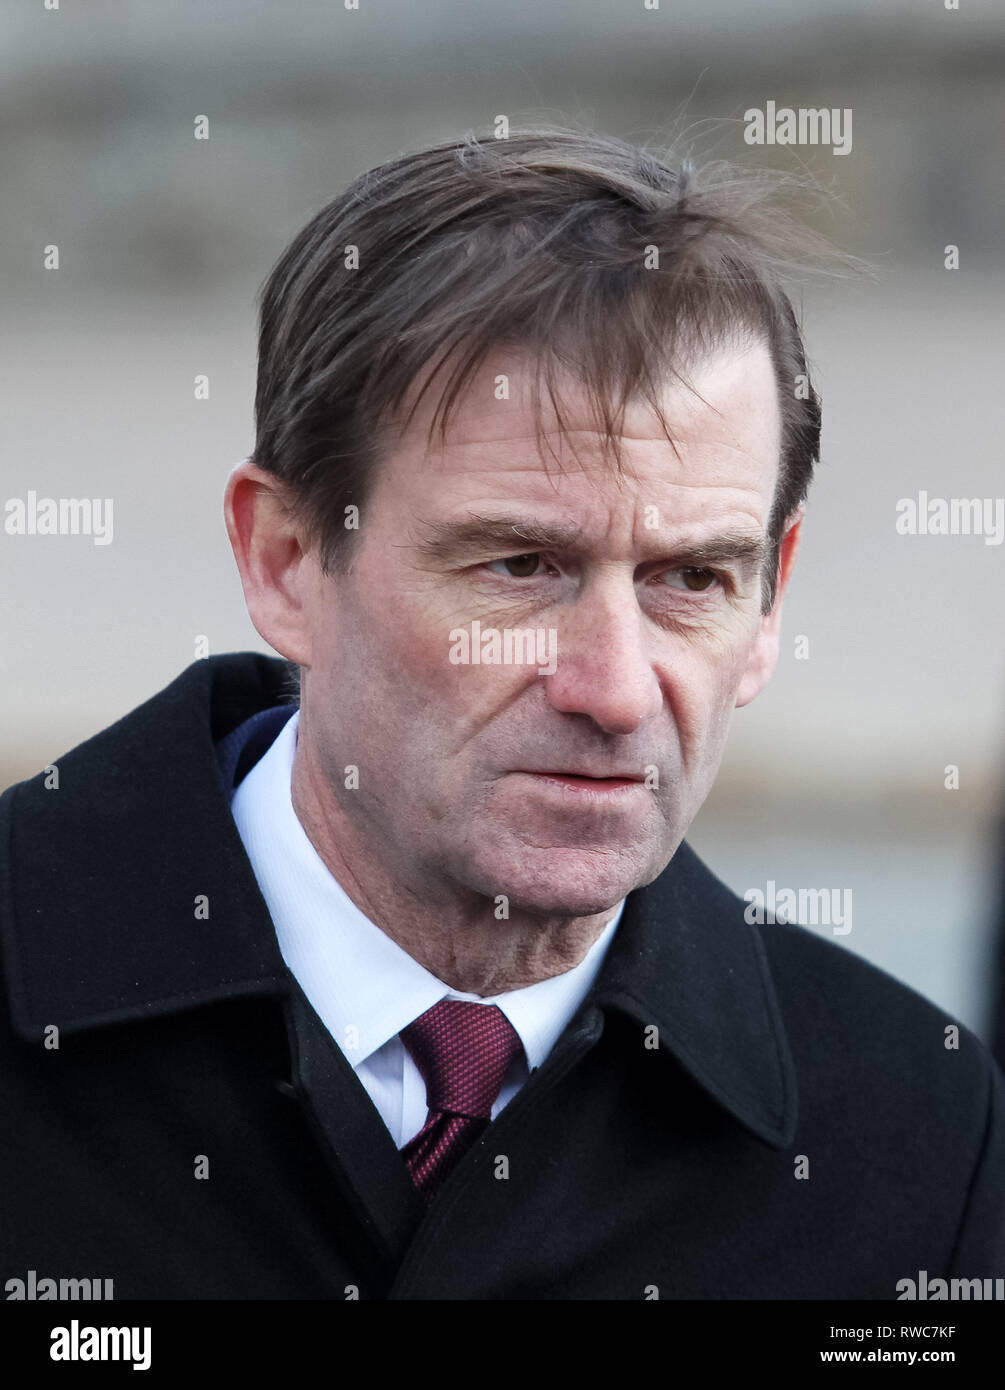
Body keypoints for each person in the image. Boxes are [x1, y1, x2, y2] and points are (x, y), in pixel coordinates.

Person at [2, 127, 1003, 1301]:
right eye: (521, 566)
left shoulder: (912, 1138)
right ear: (286, 560)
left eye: (693, 580)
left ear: (773, 597)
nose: (617, 688)